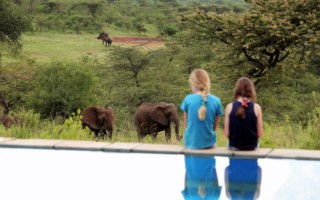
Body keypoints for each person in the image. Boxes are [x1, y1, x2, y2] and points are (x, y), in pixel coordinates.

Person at [181, 68, 224, 149]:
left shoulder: (188, 99)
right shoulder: (216, 101)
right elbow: (214, 128)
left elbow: (186, 126)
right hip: (209, 145)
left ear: (193, 84)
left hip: (191, 144)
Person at [224, 77, 263, 150]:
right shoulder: (257, 108)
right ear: (251, 91)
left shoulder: (229, 107)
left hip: (234, 147)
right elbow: (259, 134)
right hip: (251, 148)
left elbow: (226, 134)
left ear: (236, 90)